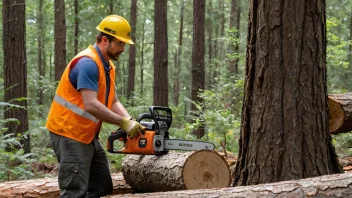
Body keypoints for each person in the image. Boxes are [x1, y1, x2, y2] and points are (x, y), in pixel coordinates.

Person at [45, 15, 144, 197]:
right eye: (120, 43)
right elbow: (90, 105)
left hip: (87, 135)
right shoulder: (88, 64)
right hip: (69, 133)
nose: (123, 48)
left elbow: (113, 101)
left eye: (124, 44)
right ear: (105, 39)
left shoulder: (107, 67)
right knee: (75, 192)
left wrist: (130, 121)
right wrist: (122, 123)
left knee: (101, 187)